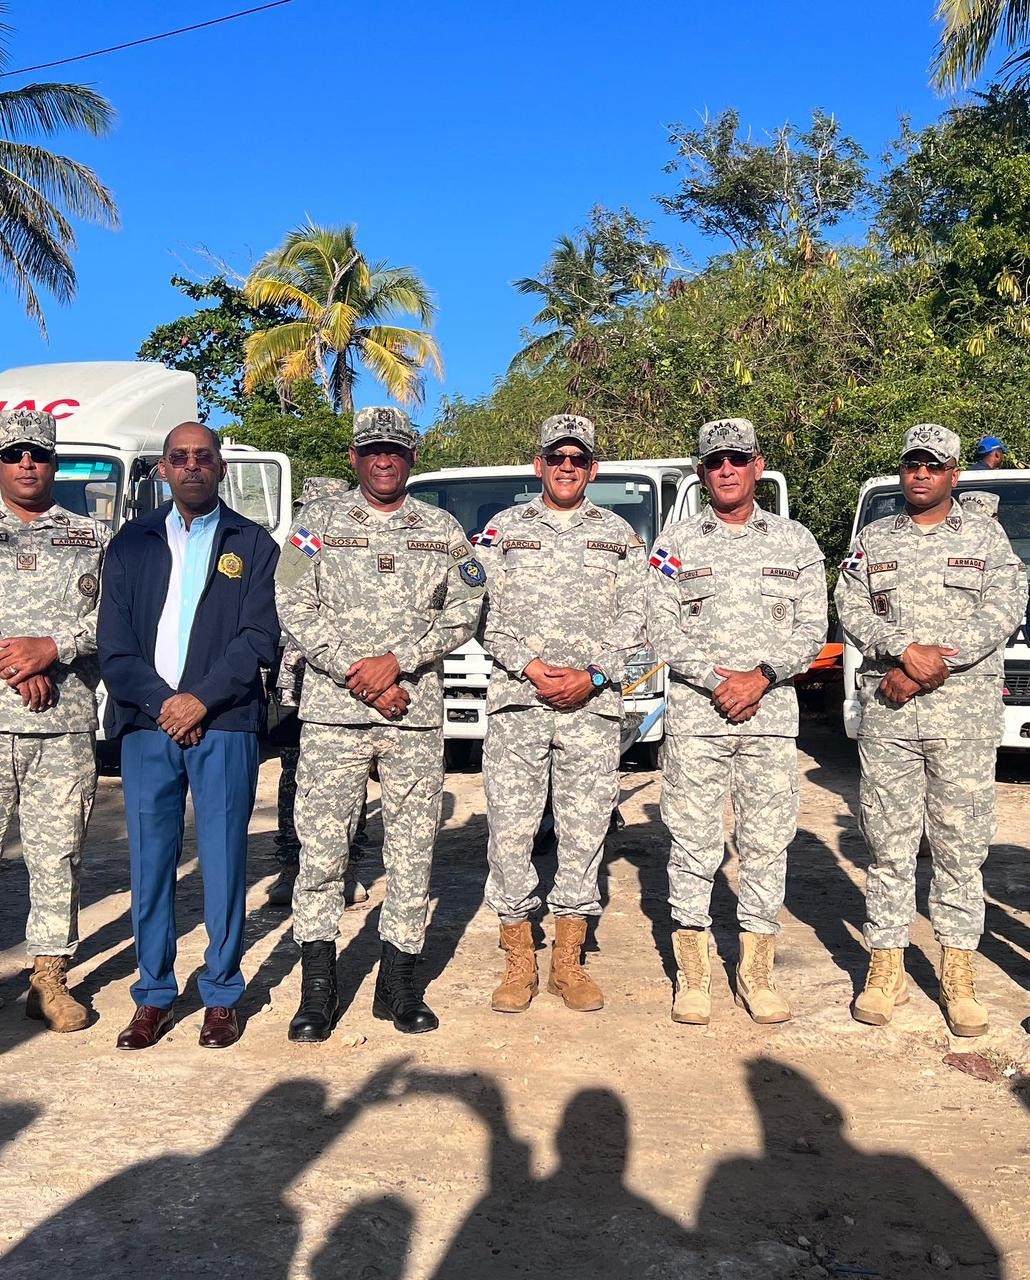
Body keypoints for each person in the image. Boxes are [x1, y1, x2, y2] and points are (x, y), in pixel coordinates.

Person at [275, 406, 485, 1041]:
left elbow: (467, 609)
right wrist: (354, 671)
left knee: (413, 851)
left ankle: (399, 984)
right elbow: (292, 601)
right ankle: (318, 990)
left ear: (411, 457)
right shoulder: (315, 526)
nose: (384, 459)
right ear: (354, 458)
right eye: (372, 450)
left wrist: (398, 662)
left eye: (394, 449)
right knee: (322, 851)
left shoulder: (443, 529)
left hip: (413, 713)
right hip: (334, 715)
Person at [836, 423, 1026, 1036]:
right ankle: (884, 967)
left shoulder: (986, 537)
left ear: (953, 473)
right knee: (888, 845)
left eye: (934, 465)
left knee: (960, 849)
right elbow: (850, 604)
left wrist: (930, 667)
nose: (920, 473)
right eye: (912, 463)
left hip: (961, 716)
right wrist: (898, 650)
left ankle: (957, 973)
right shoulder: (873, 538)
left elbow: (1004, 609)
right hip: (889, 716)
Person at [97, 422, 280, 1050]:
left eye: (204, 457)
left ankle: (222, 992)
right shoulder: (130, 544)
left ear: (221, 467)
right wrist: (162, 701)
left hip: (223, 722)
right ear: (164, 470)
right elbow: (113, 647)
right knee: (151, 862)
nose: (193, 467)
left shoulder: (251, 543)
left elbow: (259, 638)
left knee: (225, 859)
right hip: (148, 725)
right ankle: (153, 994)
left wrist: (200, 698)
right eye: (180, 458)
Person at [646, 417, 827, 1026]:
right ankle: (692, 974)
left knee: (765, 842)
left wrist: (762, 676)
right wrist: (717, 679)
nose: (727, 469)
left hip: (771, 714)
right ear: (702, 472)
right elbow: (660, 625)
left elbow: (813, 628)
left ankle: (757, 972)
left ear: (757, 464)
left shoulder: (796, 542)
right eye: (716, 461)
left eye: (738, 459)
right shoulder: (675, 543)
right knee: (692, 841)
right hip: (699, 716)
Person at [476, 413, 645, 1014]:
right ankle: (518, 962)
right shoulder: (501, 531)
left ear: (592, 469)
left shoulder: (620, 535)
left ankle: (567, 964)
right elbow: (482, 613)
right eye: (556, 458)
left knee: (584, 833)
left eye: (578, 459)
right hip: (519, 704)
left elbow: (637, 619)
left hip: (592, 708)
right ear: (538, 464)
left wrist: (593, 674)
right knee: (512, 831)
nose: (567, 468)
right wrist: (528, 665)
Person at [0, 408, 110, 1032]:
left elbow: (117, 621)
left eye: (37, 455)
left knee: (57, 853)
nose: (26, 465)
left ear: (55, 463)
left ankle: (48, 976)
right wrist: (18, 660)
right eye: (14, 454)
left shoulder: (91, 537)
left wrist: (55, 649)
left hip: (62, 726)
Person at [268, 475, 368, 911]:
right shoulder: (303, 538)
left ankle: (348, 866)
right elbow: (284, 591)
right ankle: (292, 865)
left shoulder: (358, 535)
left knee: (356, 777)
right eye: (309, 506)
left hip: (354, 673)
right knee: (296, 773)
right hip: (301, 674)